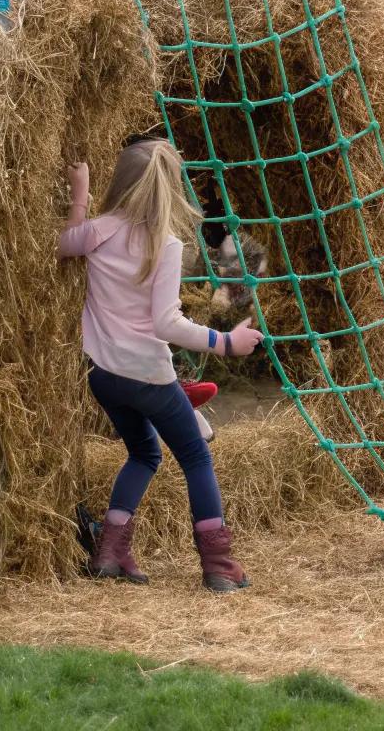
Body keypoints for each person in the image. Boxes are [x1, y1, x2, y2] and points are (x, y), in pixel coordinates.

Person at [59, 141, 263, 591]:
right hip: (148, 376)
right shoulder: (165, 244)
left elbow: (63, 243)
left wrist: (79, 192)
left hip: (103, 375)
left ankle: (111, 552)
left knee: (145, 453)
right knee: (194, 455)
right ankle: (218, 564)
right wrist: (227, 342)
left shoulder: (99, 230)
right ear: (169, 190)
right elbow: (166, 323)